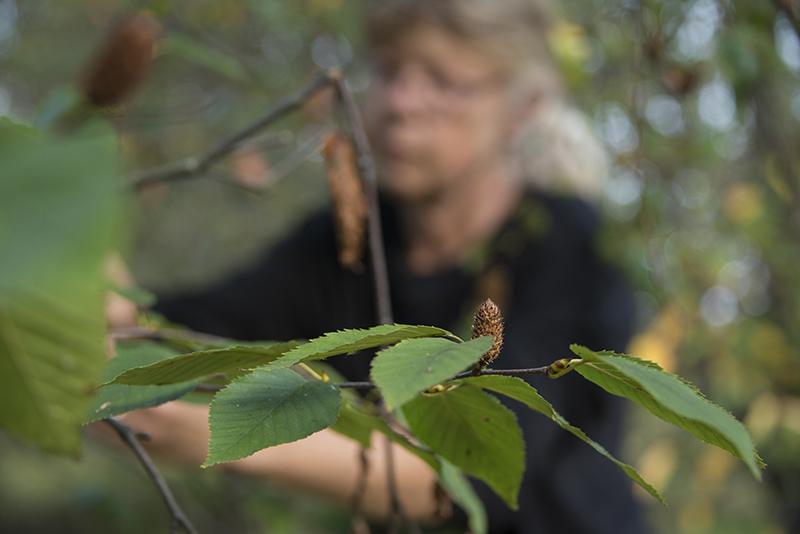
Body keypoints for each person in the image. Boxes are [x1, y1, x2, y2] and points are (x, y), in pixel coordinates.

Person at [106, 0, 648, 532]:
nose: (401, 103)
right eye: (389, 71)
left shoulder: (572, 252)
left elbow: (468, 467)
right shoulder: (347, 244)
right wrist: (101, 298)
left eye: (444, 79)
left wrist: (224, 436)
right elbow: (196, 330)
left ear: (521, 107)